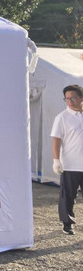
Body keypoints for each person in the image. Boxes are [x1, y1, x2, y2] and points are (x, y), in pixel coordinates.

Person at [51, 84, 83, 235]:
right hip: (71, 164)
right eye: (67, 99)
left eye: (73, 98)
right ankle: (67, 223)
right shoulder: (62, 117)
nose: (70, 101)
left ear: (81, 98)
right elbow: (56, 139)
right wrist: (56, 160)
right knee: (68, 196)